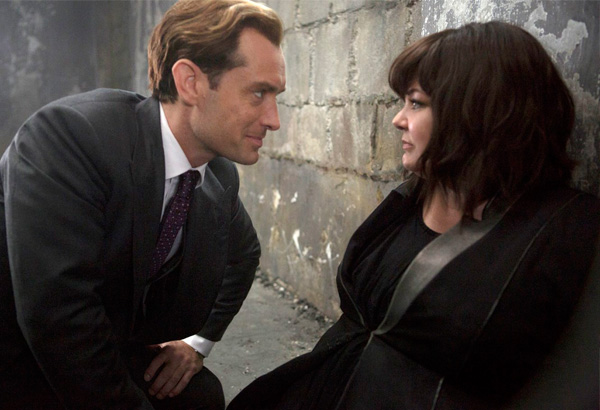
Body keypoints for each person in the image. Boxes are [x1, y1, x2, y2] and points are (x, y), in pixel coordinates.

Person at [227, 21, 600, 410]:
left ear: (476, 111)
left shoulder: (567, 232)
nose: (398, 119)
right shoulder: (412, 196)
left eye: (416, 103)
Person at [0, 0, 285, 409]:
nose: (274, 119)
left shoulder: (217, 175)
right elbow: (58, 318)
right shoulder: (71, 138)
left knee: (201, 398)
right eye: (258, 93)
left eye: (275, 96)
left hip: (108, 338)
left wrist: (196, 343)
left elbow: (244, 254)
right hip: (23, 355)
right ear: (190, 82)